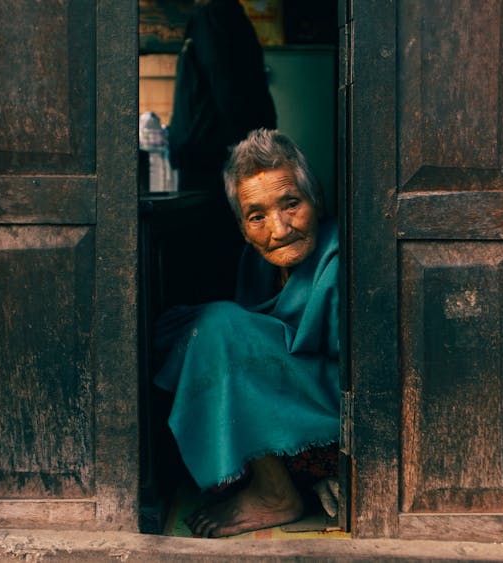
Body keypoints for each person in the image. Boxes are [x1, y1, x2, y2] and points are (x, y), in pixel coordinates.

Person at [154, 129, 339, 538]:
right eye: (257, 216)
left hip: (332, 423)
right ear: (241, 227)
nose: (279, 228)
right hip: (289, 405)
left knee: (219, 326)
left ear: (316, 201)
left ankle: (276, 493)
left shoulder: (340, 260)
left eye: (291, 204)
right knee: (190, 327)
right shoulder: (256, 263)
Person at [168, 0, 277, 193]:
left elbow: (229, 91)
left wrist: (250, 153)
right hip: (214, 154)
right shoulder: (219, 16)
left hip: (213, 158)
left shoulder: (214, 17)